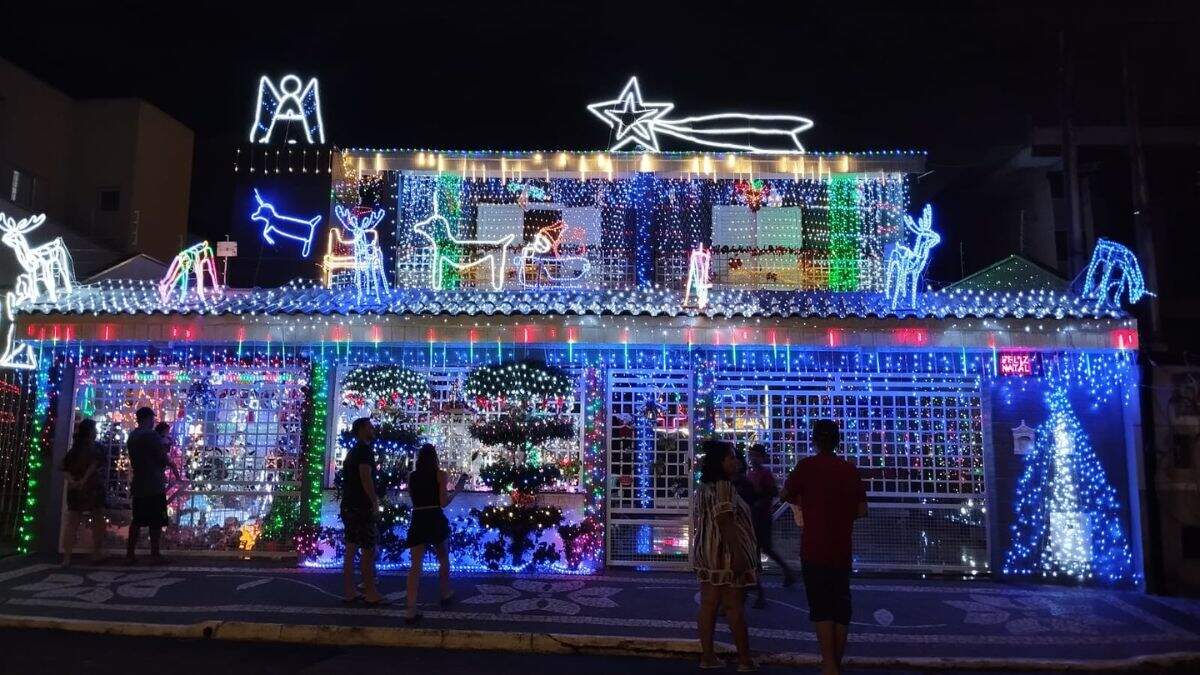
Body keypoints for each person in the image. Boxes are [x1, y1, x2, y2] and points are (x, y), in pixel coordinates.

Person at [781, 420, 868, 675]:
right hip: (841, 548)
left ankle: (829, 665)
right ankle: (835, 663)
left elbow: (784, 494)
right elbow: (862, 510)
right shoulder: (848, 470)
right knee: (841, 606)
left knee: (820, 607)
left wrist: (806, 502)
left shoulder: (806, 467)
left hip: (813, 549)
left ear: (814, 441)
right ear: (838, 441)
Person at [692, 439, 758, 672]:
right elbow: (725, 520)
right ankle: (744, 660)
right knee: (734, 607)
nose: (736, 461)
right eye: (730, 457)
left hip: (707, 552)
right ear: (719, 463)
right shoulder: (724, 488)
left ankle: (707, 657)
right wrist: (739, 554)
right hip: (725, 554)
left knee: (708, 605)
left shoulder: (703, 488)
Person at [404, 443, 463, 624]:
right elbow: (443, 502)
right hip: (435, 516)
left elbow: (412, 497)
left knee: (416, 565)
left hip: (418, 516)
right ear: (435, 458)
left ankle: (411, 608)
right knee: (443, 557)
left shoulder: (412, 477)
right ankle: (444, 592)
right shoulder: (440, 475)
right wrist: (457, 491)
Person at [126, 407, 179, 565]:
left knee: (137, 520)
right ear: (147, 418)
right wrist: (170, 463)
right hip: (154, 482)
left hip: (139, 482)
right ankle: (155, 554)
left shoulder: (133, 436)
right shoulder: (151, 436)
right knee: (155, 521)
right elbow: (162, 457)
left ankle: (130, 553)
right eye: (152, 418)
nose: (153, 421)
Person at [745, 443, 796, 608]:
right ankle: (784, 573)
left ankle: (761, 589)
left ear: (762, 457)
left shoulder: (764, 474)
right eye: (751, 455)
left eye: (755, 455)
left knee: (760, 550)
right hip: (755, 516)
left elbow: (773, 492)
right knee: (760, 550)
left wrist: (760, 500)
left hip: (762, 516)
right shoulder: (751, 474)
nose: (752, 458)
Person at [341, 417, 384, 606]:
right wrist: (374, 501)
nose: (372, 429)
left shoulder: (353, 452)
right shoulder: (364, 451)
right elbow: (366, 477)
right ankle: (371, 593)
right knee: (368, 549)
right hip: (360, 506)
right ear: (360, 430)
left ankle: (350, 592)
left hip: (349, 504)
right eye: (369, 427)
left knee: (351, 549)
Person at [60, 419, 107, 567]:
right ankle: (96, 552)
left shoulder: (75, 449)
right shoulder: (96, 448)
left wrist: (73, 482)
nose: (97, 431)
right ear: (91, 431)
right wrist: (83, 480)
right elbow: (94, 466)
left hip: (75, 489)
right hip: (93, 487)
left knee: (72, 521)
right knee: (98, 519)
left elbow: (64, 468)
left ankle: (66, 557)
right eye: (95, 429)